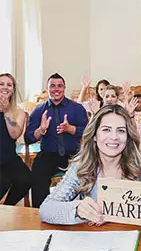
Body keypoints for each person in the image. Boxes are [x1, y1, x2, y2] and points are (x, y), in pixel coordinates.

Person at [39, 105, 141, 225]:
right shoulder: (81, 168)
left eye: (121, 131)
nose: (114, 137)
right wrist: (77, 209)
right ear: (95, 136)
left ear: (128, 137)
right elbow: (46, 209)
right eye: (106, 130)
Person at [25, 73, 89, 208]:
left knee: (85, 171)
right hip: (49, 153)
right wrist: (40, 130)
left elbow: (88, 133)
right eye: (52, 86)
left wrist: (71, 129)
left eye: (59, 86)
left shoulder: (77, 109)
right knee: (37, 172)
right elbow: (28, 138)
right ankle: (40, 211)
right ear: (47, 88)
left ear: (64, 88)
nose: (56, 89)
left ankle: (77, 210)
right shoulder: (38, 111)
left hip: (73, 154)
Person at [0, 73, 31, 205]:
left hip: (9, 158)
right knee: (3, 181)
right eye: (1, 84)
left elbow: (15, 134)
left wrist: (7, 111)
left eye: (9, 85)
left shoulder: (19, 112)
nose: (5, 87)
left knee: (26, 179)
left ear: (13, 89)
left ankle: (6, 208)